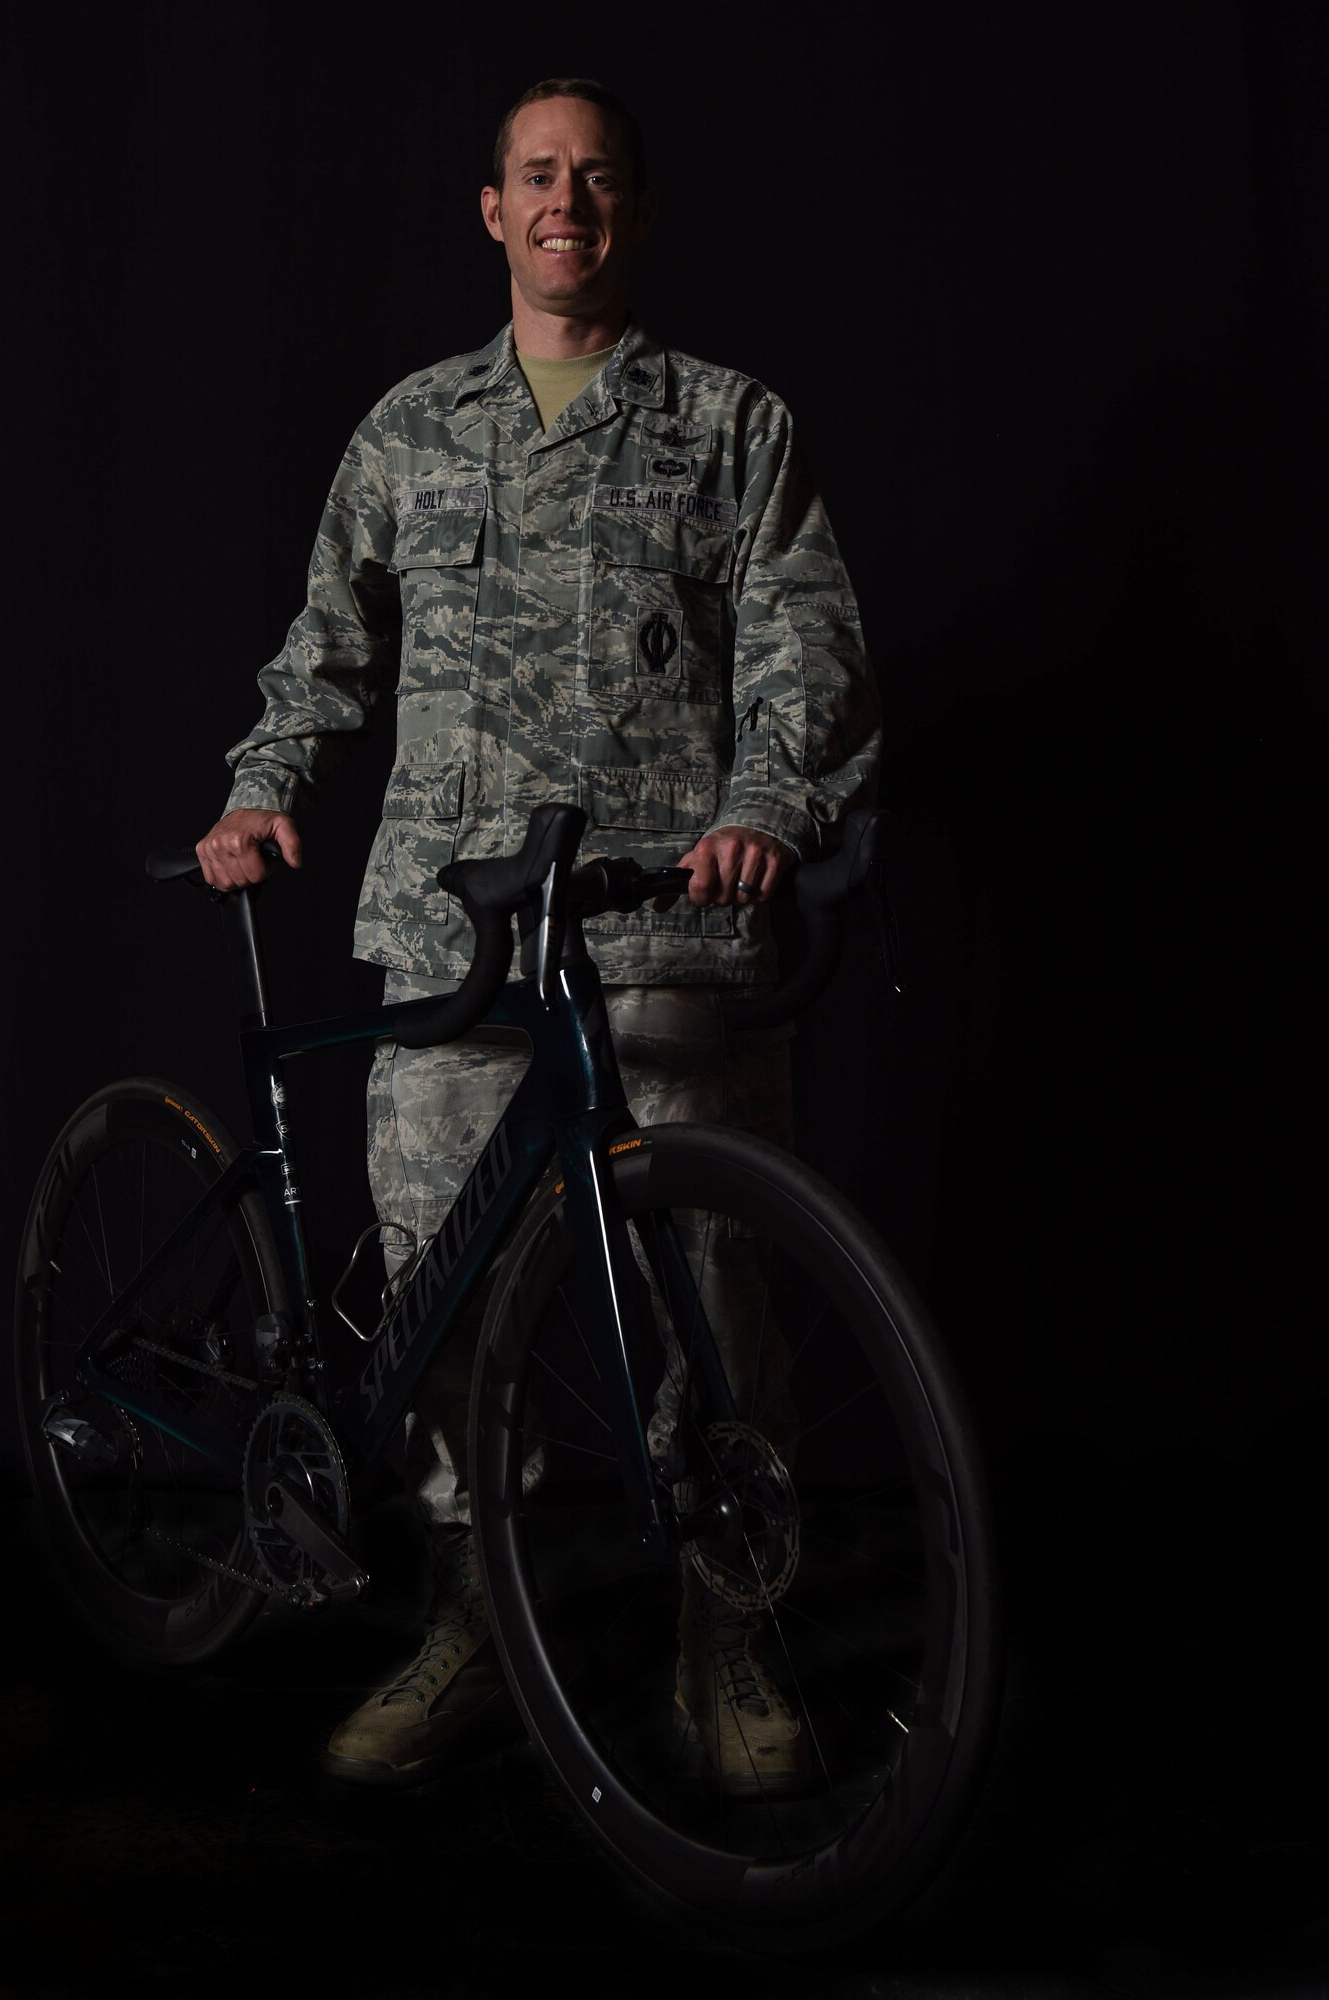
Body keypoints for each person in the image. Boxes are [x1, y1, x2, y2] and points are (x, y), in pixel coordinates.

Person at [196, 78, 880, 1791]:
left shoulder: (730, 424)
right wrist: (265, 784)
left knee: (710, 1292)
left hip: (666, 927)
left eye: (594, 177)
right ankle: (471, 1618)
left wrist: (761, 811)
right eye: (534, 175)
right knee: (435, 1296)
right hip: (449, 935)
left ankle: (728, 1619)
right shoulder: (409, 433)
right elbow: (324, 644)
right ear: (491, 211)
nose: (564, 199)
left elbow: (808, 645)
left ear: (633, 210)